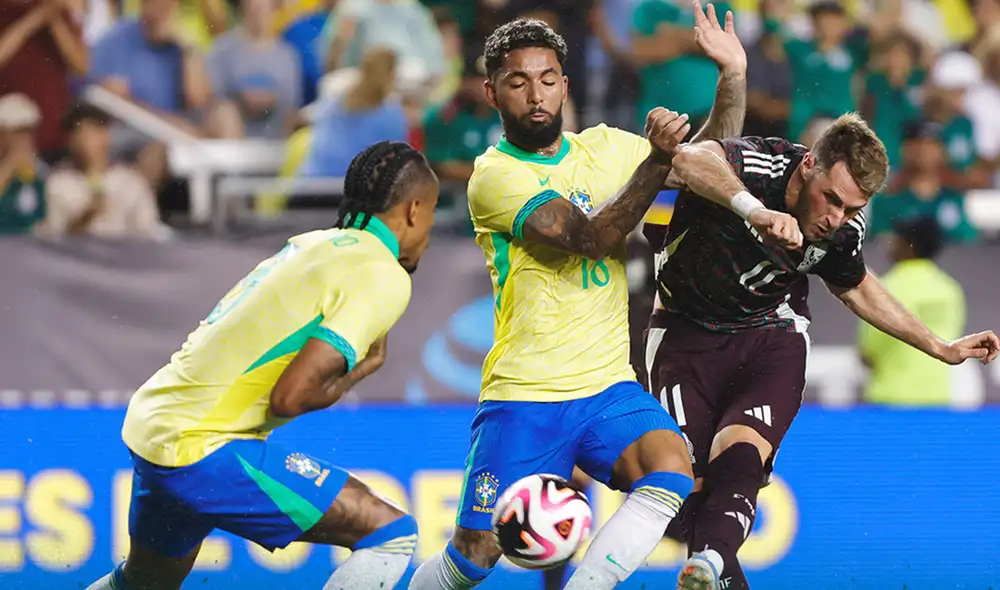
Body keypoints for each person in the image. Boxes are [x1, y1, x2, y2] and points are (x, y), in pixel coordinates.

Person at [408, 5, 748, 590]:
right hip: (527, 392)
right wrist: (656, 161)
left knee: (671, 467)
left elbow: (715, 160)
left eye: (546, 79)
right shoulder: (494, 176)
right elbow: (591, 240)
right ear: (492, 92)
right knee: (476, 555)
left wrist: (732, 77)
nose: (535, 95)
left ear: (565, 84)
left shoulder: (605, 148)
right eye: (517, 82)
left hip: (605, 386)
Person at [643, 113, 1000, 590]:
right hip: (685, 333)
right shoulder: (761, 165)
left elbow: (856, 286)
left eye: (851, 209)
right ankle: (711, 565)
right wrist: (755, 211)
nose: (835, 217)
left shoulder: (839, 232)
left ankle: (710, 563)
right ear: (809, 164)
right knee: (688, 504)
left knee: (741, 454)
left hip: (769, 334)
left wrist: (940, 346)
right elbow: (690, 158)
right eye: (831, 199)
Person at [85, 141, 440, 590]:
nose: (428, 227)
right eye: (430, 212)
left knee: (144, 582)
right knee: (389, 534)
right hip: (202, 447)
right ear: (413, 210)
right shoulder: (380, 271)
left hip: (154, 426)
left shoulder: (314, 244)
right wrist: (363, 369)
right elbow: (291, 397)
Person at [859, 216, 967, 406]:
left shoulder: (886, 288)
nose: (890, 243)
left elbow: (869, 351)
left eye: (898, 238)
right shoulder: (949, 289)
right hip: (938, 396)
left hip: (889, 397)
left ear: (910, 246)